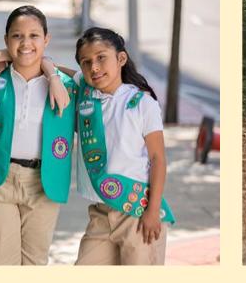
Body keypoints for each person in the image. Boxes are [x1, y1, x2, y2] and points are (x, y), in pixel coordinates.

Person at [0, 5, 77, 265]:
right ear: (6, 41)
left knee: (34, 263)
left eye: (34, 35)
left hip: (42, 184)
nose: (25, 43)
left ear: (47, 39)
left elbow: (96, 80)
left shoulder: (66, 87)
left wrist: (51, 72)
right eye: (17, 36)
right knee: (0, 263)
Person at [72, 27, 176, 265]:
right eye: (86, 63)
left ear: (121, 58)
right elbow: (56, 71)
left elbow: (158, 159)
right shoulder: (87, 95)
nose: (94, 68)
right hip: (101, 213)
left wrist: (153, 210)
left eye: (101, 58)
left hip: (137, 213)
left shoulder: (141, 103)